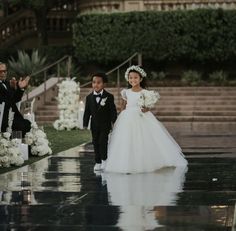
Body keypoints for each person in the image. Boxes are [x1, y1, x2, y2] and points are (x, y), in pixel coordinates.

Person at [105, 65, 187, 174]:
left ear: (141, 79)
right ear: (127, 79)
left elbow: (148, 106)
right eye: (130, 77)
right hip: (127, 118)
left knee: (143, 139)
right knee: (126, 141)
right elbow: (123, 106)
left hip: (141, 117)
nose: (132, 80)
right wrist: (122, 116)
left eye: (135, 77)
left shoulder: (145, 92)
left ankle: (146, 162)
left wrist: (146, 108)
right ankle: (127, 163)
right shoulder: (126, 92)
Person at [83, 72, 117, 171]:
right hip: (94, 125)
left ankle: (104, 160)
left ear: (103, 84)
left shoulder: (109, 96)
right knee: (95, 142)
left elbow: (112, 111)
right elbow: (87, 112)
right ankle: (97, 161)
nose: (96, 85)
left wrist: (114, 121)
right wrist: (85, 124)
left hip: (105, 125)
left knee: (103, 141)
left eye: (98, 82)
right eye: (94, 82)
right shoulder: (89, 97)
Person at [0, 62, 31, 137]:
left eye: (5, 71)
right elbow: (6, 101)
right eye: (1, 71)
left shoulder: (7, 84)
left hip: (12, 115)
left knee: (27, 124)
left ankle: (15, 143)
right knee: (23, 126)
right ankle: (12, 143)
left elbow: (15, 99)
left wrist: (20, 89)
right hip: (3, 118)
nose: (4, 73)